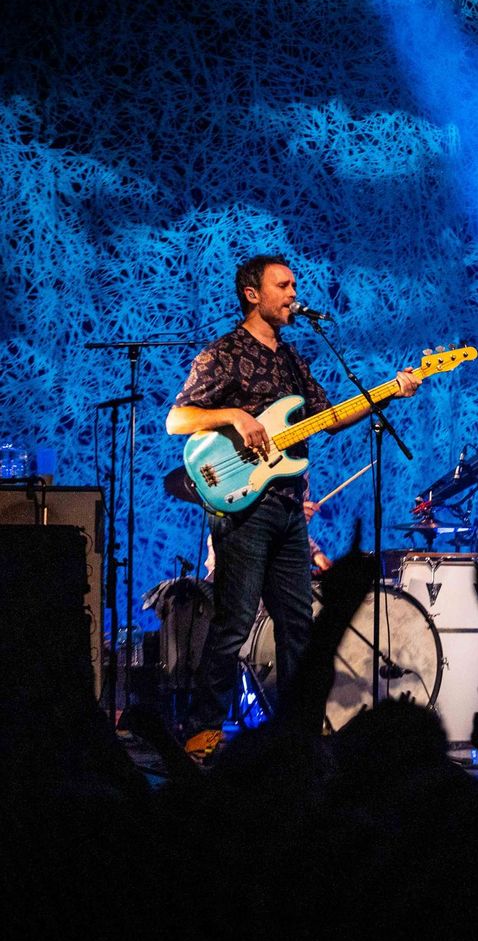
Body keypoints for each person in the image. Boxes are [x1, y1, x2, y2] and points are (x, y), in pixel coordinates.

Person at [166, 254, 419, 759]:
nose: (293, 294)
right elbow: (178, 419)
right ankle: (202, 727)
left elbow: (328, 419)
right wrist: (236, 416)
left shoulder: (292, 359)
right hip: (242, 507)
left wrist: (391, 390)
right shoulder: (224, 353)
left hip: (288, 505)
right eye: (282, 285)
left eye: (293, 285)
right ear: (252, 294)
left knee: (298, 624)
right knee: (235, 621)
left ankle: (300, 727)